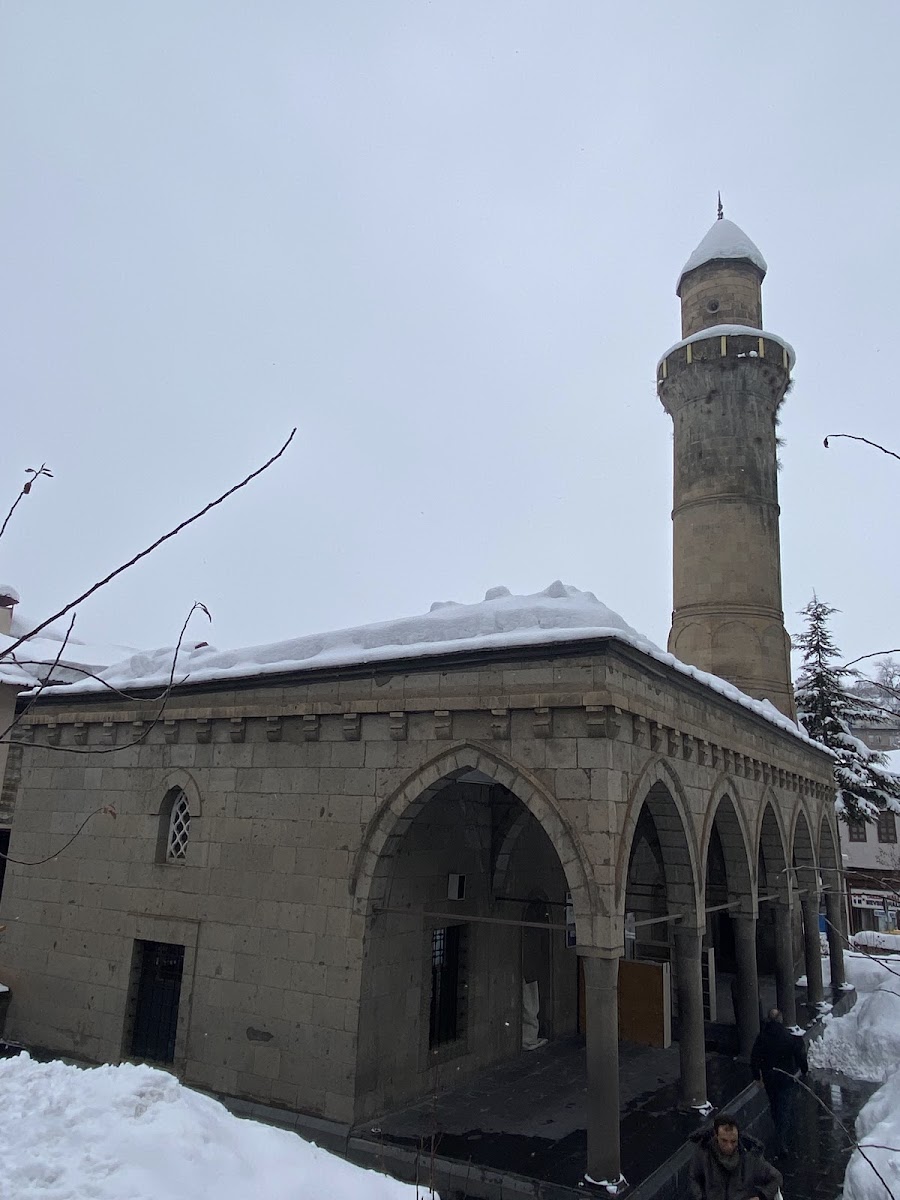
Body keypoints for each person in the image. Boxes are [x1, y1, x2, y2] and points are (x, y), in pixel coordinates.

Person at [750, 1007, 808, 1158]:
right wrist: (804, 1070)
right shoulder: (787, 1037)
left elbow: (754, 1058)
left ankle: (778, 1129)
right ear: (781, 1019)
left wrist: (757, 1076)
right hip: (784, 1078)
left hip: (770, 1078)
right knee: (784, 1107)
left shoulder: (762, 1037)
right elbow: (799, 1054)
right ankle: (781, 1138)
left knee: (775, 1105)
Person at [689, 1114, 783, 1200]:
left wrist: (761, 1197)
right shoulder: (704, 1153)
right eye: (724, 1141)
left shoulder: (750, 1157)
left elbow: (776, 1177)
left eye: (733, 1141)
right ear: (716, 1136)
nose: (729, 1146)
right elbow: (694, 1178)